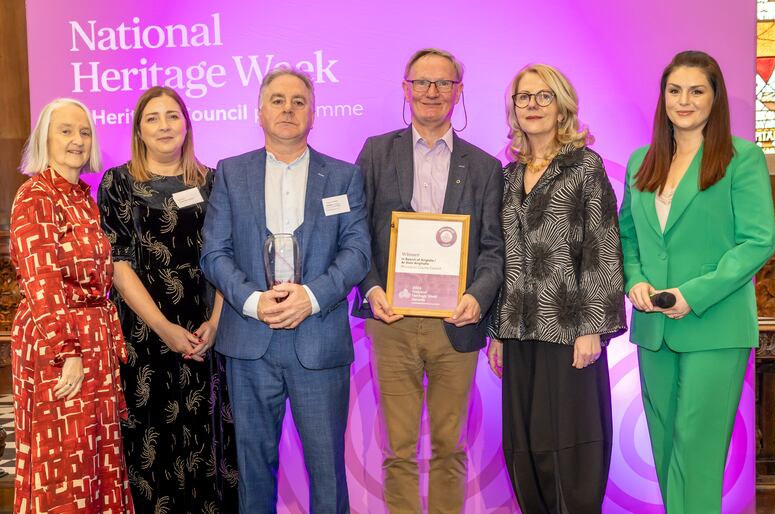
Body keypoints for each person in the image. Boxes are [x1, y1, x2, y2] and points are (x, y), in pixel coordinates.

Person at [201, 68, 370, 513]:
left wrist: (310, 298)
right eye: (277, 100)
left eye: (298, 101)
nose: (288, 109)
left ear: (314, 113)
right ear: (259, 112)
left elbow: (357, 253)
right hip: (249, 344)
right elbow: (214, 254)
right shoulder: (231, 174)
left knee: (328, 472)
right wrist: (254, 302)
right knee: (253, 470)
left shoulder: (343, 177)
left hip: (319, 341)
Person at [619, 50, 775, 513]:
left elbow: (757, 241)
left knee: (699, 451)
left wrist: (693, 294)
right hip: (653, 329)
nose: (683, 100)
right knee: (666, 448)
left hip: (714, 326)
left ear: (715, 98)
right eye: (674, 90)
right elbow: (627, 235)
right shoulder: (639, 161)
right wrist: (635, 280)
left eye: (696, 91)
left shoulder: (740, 158)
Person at [352, 48, 504, 513]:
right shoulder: (377, 152)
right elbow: (355, 234)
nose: (432, 92)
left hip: (455, 324)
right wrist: (372, 287)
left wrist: (478, 299)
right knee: (397, 450)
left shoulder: (484, 167)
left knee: (449, 448)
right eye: (422, 83)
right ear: (406, 89)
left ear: (459, 92)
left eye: (443, 84)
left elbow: (495, 249)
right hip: (391, 320)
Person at [485, 64, 627, 513]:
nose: (532, 105)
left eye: (543, 96)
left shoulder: (585, 166)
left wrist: (593, 327)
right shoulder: (507, 176)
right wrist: (497, 333)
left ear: (562, 104)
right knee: (525, 448)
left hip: (569, 333)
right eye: (523, 97)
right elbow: (501, 256)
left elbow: (603, 247)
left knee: (571, 451)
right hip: (518, 332)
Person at [97, 86, 238, 513]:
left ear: (187, 125)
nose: (164, 125)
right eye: (153, 118)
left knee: (208, 442)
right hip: (144, 334)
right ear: (139, 130)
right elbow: (118, 264)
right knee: (150, 443)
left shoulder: (215, 181)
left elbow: (227, 257)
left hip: (206, 334)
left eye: (172, 116)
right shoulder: (117, 182)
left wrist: (215, 323)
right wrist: (164, 329)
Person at [9, 98, 135, 513]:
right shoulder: (35, 196)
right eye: (65, 130)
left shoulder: (83, 197)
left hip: (92, 341)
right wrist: (68, 352)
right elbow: (42, 282)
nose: (77, 140)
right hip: (57, 345)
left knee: (93, 458)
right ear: (45, 137)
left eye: (84, 132)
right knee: (63, 462)